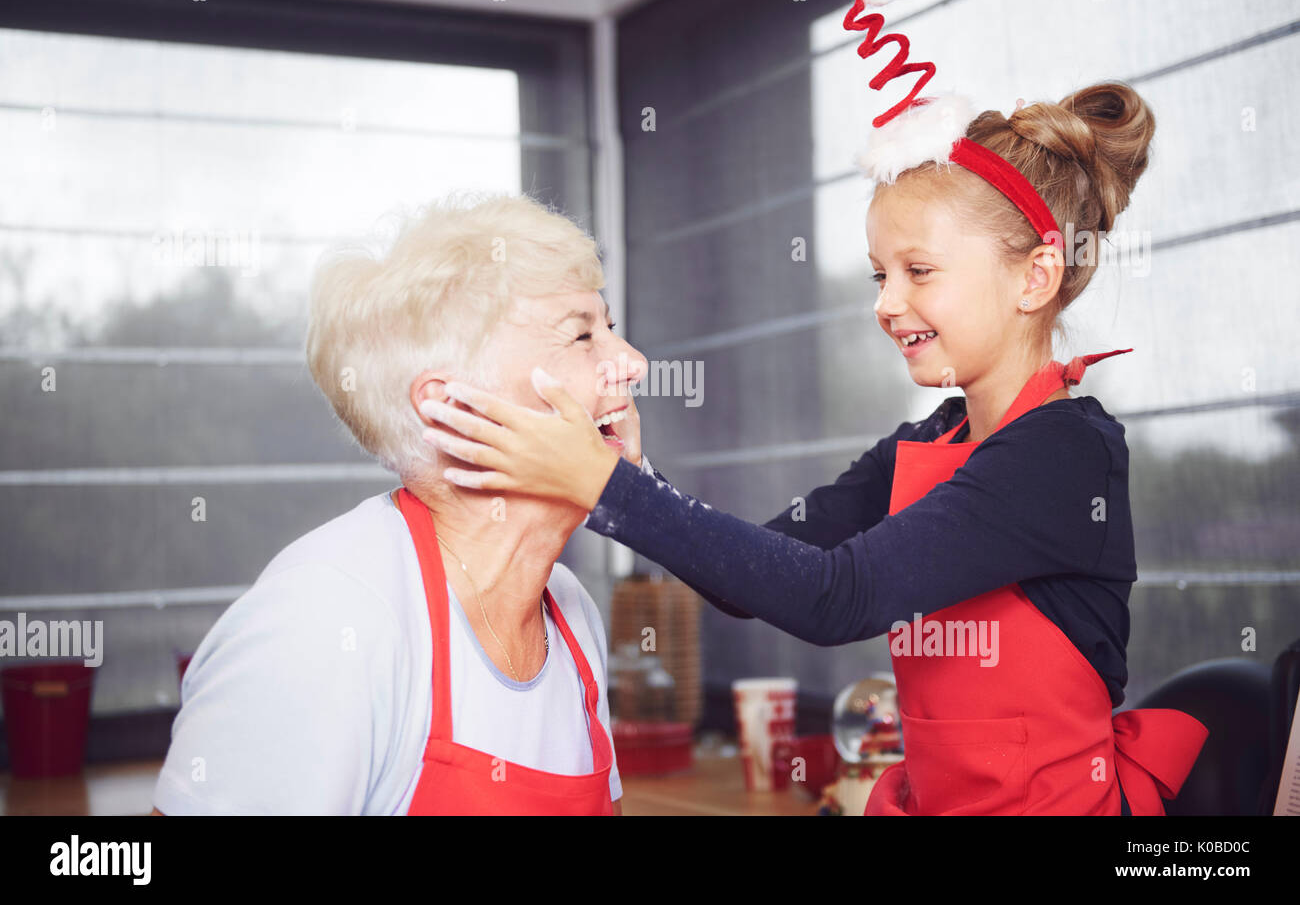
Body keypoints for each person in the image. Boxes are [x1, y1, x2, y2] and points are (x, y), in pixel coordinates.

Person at [418, 81, 1210, 814]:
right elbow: (764, 572)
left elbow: (837, 598)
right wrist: (635, 477)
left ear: (1036, 277)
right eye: (877, 275)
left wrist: (608, 490)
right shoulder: (926, 443)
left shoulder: (1065, 455)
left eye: (919, 270)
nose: (887, 302)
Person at [151, 193, 647, 814]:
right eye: (581, 335)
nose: (633, 364)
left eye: (611, 328)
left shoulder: (571, 613)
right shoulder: (330, 621)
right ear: (455, 411)